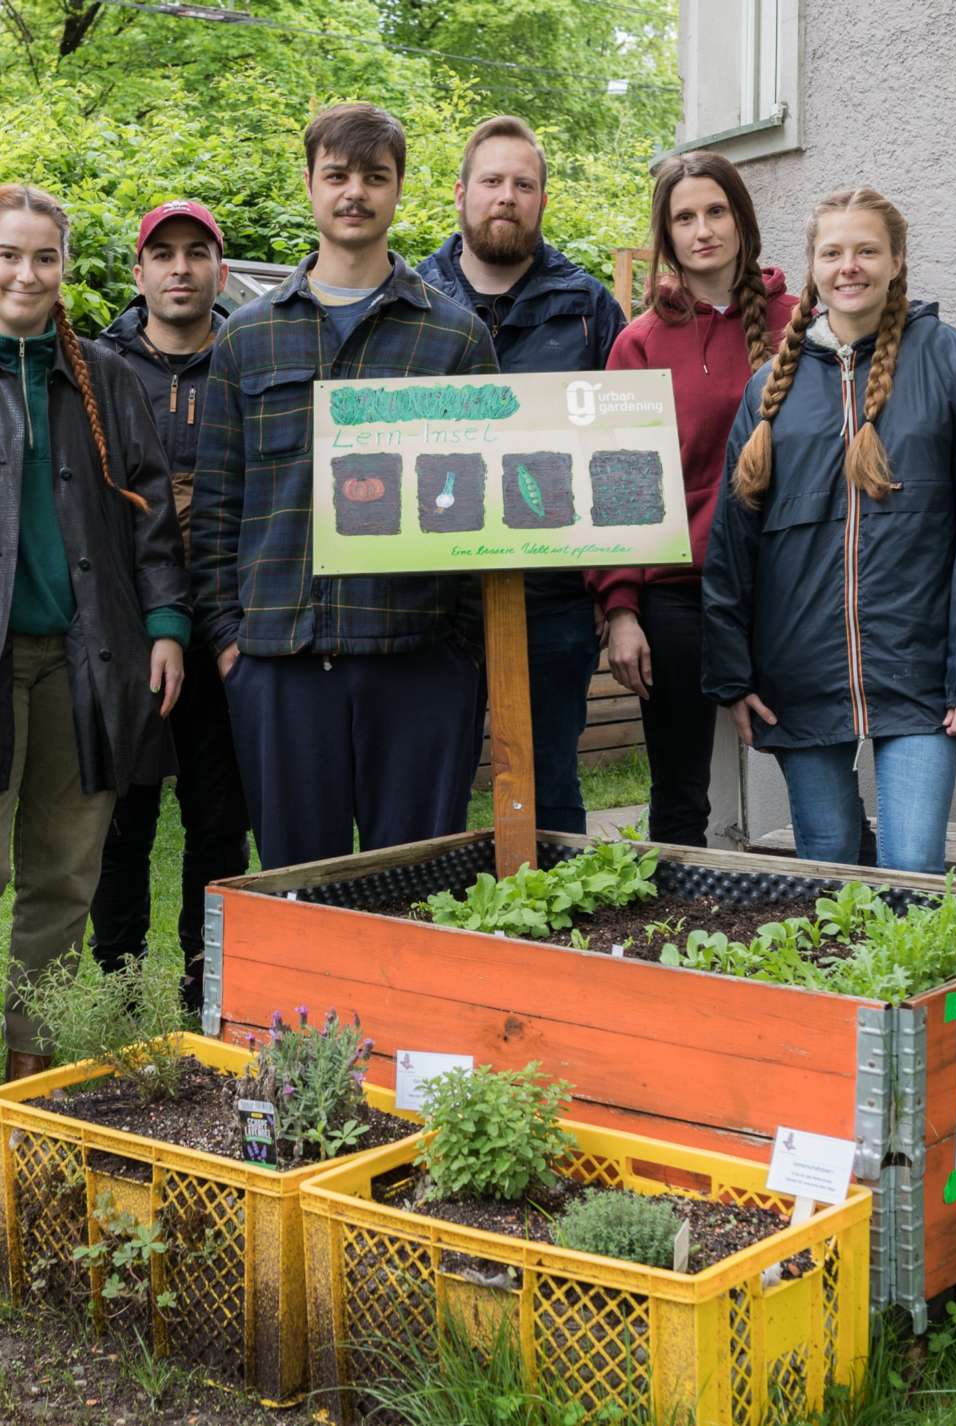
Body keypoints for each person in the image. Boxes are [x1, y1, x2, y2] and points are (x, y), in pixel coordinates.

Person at [0, 184, 190, 1144]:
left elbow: (151, 514)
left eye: (45, 258)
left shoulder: (104, 377)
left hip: (91, 661)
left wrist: (169, 621)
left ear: (65, 268)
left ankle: (30, 1058)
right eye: (9, 255)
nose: (27, 274)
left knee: (65, 872)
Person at [192, 102, 498, 871]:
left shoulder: (455, 337)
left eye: (374, 177)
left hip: (418, 661)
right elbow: (218, 504)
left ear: (399, 190)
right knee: (303, 898)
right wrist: (232, 645)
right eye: (337, 175)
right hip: (282, 665)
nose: (354, 192)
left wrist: (460, 654)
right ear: (310, 184)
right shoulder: (246, 335)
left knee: (418, 891)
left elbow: (484, 505)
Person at [702, 187, 956, 872]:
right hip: (797, 676)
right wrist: (733, 674)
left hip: (921, 675)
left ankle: (906, 985)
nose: (850, 266)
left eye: (867, 250)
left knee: (912, 869)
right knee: (828, 866)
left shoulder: (955, 365)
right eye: (833, 252)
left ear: (896, 260)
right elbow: (735, 545)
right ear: (813, 267)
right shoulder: (770, 391)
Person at [416, 115, 627, 836]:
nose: (506, 196)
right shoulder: (409, 301)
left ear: (542, 199)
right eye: (492, 181)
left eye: (523, 184)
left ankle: (556, 936)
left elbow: (622, 453)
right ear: (460, 193)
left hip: (553, 598)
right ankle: (437, 941)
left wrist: (611, 586)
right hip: (431, 600)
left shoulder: (590, 308)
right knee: (430, 788)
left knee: (552, 786)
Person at [591, 151, 798, 846]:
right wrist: (621, 607)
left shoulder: (800, 324)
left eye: (716, 211)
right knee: (680, 793)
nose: (703, 229)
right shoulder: (638, 344)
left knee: (810, 765)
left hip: (783, 584)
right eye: (685, 217)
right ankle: (677, 940)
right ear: (667, 234)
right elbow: (617, 487)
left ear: (742, 219)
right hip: (678, 590)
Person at [87, 200, 252, 1014]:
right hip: (125, 634)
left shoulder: (249, 357)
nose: (180, 268)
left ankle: (204, 979)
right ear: (139, 272)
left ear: (220, 270)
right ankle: (117, 983)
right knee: (122, 821)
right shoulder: (96, 369)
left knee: (220, 821)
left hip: (225, 627)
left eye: (197, 253)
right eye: (164, 255)